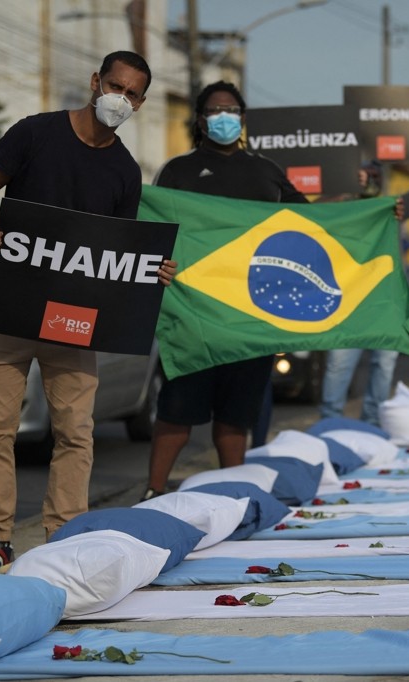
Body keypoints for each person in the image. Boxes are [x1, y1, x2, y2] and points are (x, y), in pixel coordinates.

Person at [0, 51, 175, 572]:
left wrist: (150, 270)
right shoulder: (35, 133)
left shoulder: (125, 170)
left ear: (142, 103)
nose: (119, 99)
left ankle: (64, 536)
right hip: (8, 311)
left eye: (131, 93)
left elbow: (115, 255)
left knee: (76, 433)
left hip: (71, 323)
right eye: (114, 86)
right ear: (94, 81)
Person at [141, 81, 309, 501]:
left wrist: (370, 204)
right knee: (177, 412)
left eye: (232, 110)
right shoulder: (178, 170)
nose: (224, 117)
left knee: (236, 418)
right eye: (216, 111)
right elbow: (154, 230)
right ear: (200, 120)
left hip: (250, 315)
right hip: (192, 315)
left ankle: (234, 494)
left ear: (243, 118)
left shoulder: (267, 172)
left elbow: (312, 224)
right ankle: (153, 491)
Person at [319, 133, 409, 426]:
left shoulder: (393, 205)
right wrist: (345, 189)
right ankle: (330, 423)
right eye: (365, 174)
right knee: (338, 365)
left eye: (374, 174)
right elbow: (313, 208)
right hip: (348, 300)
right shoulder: (341, 205)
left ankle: (371, 422)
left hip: (386, 300)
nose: (370, 179)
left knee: (384, 363)